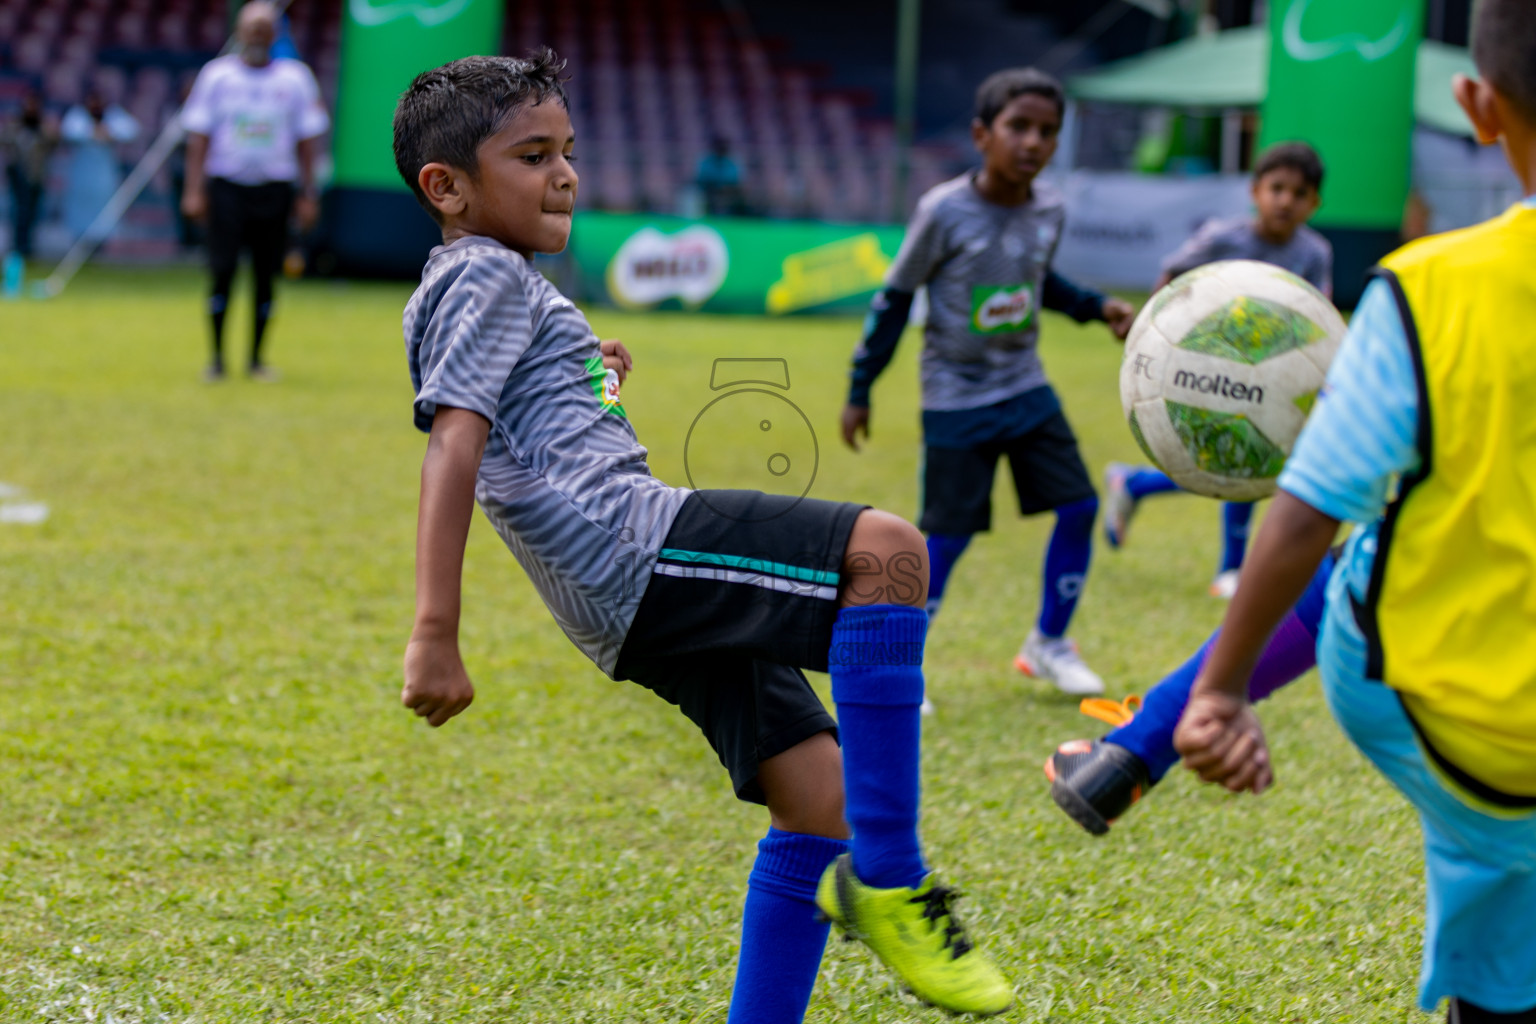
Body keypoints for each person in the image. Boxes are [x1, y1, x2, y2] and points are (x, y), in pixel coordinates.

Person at [391, 52, 1012, 1020]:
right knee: (889, 550)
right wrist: (435, 627)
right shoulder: (485, 274)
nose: (564, 174)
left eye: (568, 151)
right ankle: (892, 881)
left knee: (819, 798)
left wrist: (587, 371)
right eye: (531, 155)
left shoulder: (470, 279)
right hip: (633, 545)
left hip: (616, 603)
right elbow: (454, 442)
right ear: (448, 187)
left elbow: (510, 420)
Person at [1173, 4, 1536, 1019]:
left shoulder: (1429, 290)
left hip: (1464, 725)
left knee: (1375, 550)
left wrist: (1223, 692)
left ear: (1477, 104)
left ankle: (1149, 735)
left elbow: (1304, 513)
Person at [840, 68, 1137, 700]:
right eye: (1019, 127)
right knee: (945, 537)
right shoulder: (943, 211)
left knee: (1080, 507)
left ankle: (1049, 643)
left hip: (1025, 386)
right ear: (982, 134)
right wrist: (861, 387)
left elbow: (1038, 282)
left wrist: (1095, 307)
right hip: (955, 396)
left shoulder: (1050, 208)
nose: (1033, 142)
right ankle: (901, 667)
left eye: (1047, 132)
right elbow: (894, 299)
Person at [1102, 142, 1333, 599]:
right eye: (1277, 188)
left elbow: (1317, 317)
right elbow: (1172, 277)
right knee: (1240, 454)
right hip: (1211, 366)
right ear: (1255, 191)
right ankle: (1230, 569)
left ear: (1314, 203)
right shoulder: (1223, 238)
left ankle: (1133, 483)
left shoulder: (1314, 252)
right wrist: (1156, 343)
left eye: (1299, 193)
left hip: (1274, 375)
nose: (1285, 200)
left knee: (1234, 460)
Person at [180, 0, 328, 382]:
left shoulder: (295, 79)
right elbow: (198, 137)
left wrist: (308, 193)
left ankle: (256, 359)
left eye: (265, 28)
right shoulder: (217, 76)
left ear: (276, 33)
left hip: (276, 188)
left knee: (266, 275)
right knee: (222, 271)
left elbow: (307, 140)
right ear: (239, 31)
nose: (258, 35)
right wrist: (194, 189)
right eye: (252, 28)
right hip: (227, 187)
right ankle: (215, 359)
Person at [60, 90, 139, 243]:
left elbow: (132, 130)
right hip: (81, 177)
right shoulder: (78, 115)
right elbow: (69, 131)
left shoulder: (112, 115)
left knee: (104, 216)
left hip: (104, 178)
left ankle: (101, 248)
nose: (95, 105)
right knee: (80, 214)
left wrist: (109, 132)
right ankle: (78, 245)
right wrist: (93, 132)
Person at [2, 91, 58, 259]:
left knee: (32, 213)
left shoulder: (43, 127)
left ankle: (28, 247)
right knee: (19, 213)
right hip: (18, 176)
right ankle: (18, 247)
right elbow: (5, 140)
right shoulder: (16, 126)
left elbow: (53, 142)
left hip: (36, 177)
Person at [694, 136, 742, 216]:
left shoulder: (732, 162)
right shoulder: (706, 161)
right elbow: (701, 180)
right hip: (708, 192)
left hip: (727, 193)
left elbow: (735, 181)